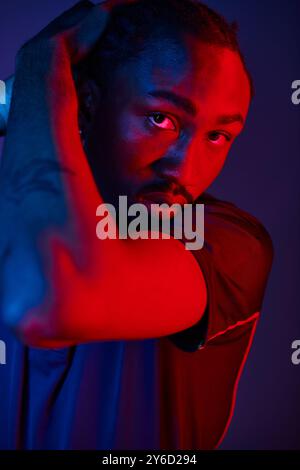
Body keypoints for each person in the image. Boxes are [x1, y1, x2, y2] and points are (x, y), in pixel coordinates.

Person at [0, 0, 273, 450]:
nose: (186, 167)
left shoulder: (227, 244)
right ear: (86, 105)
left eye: (218, 136)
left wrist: (40, 61)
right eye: (161, 119)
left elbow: (44, 302)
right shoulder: (19, 215)